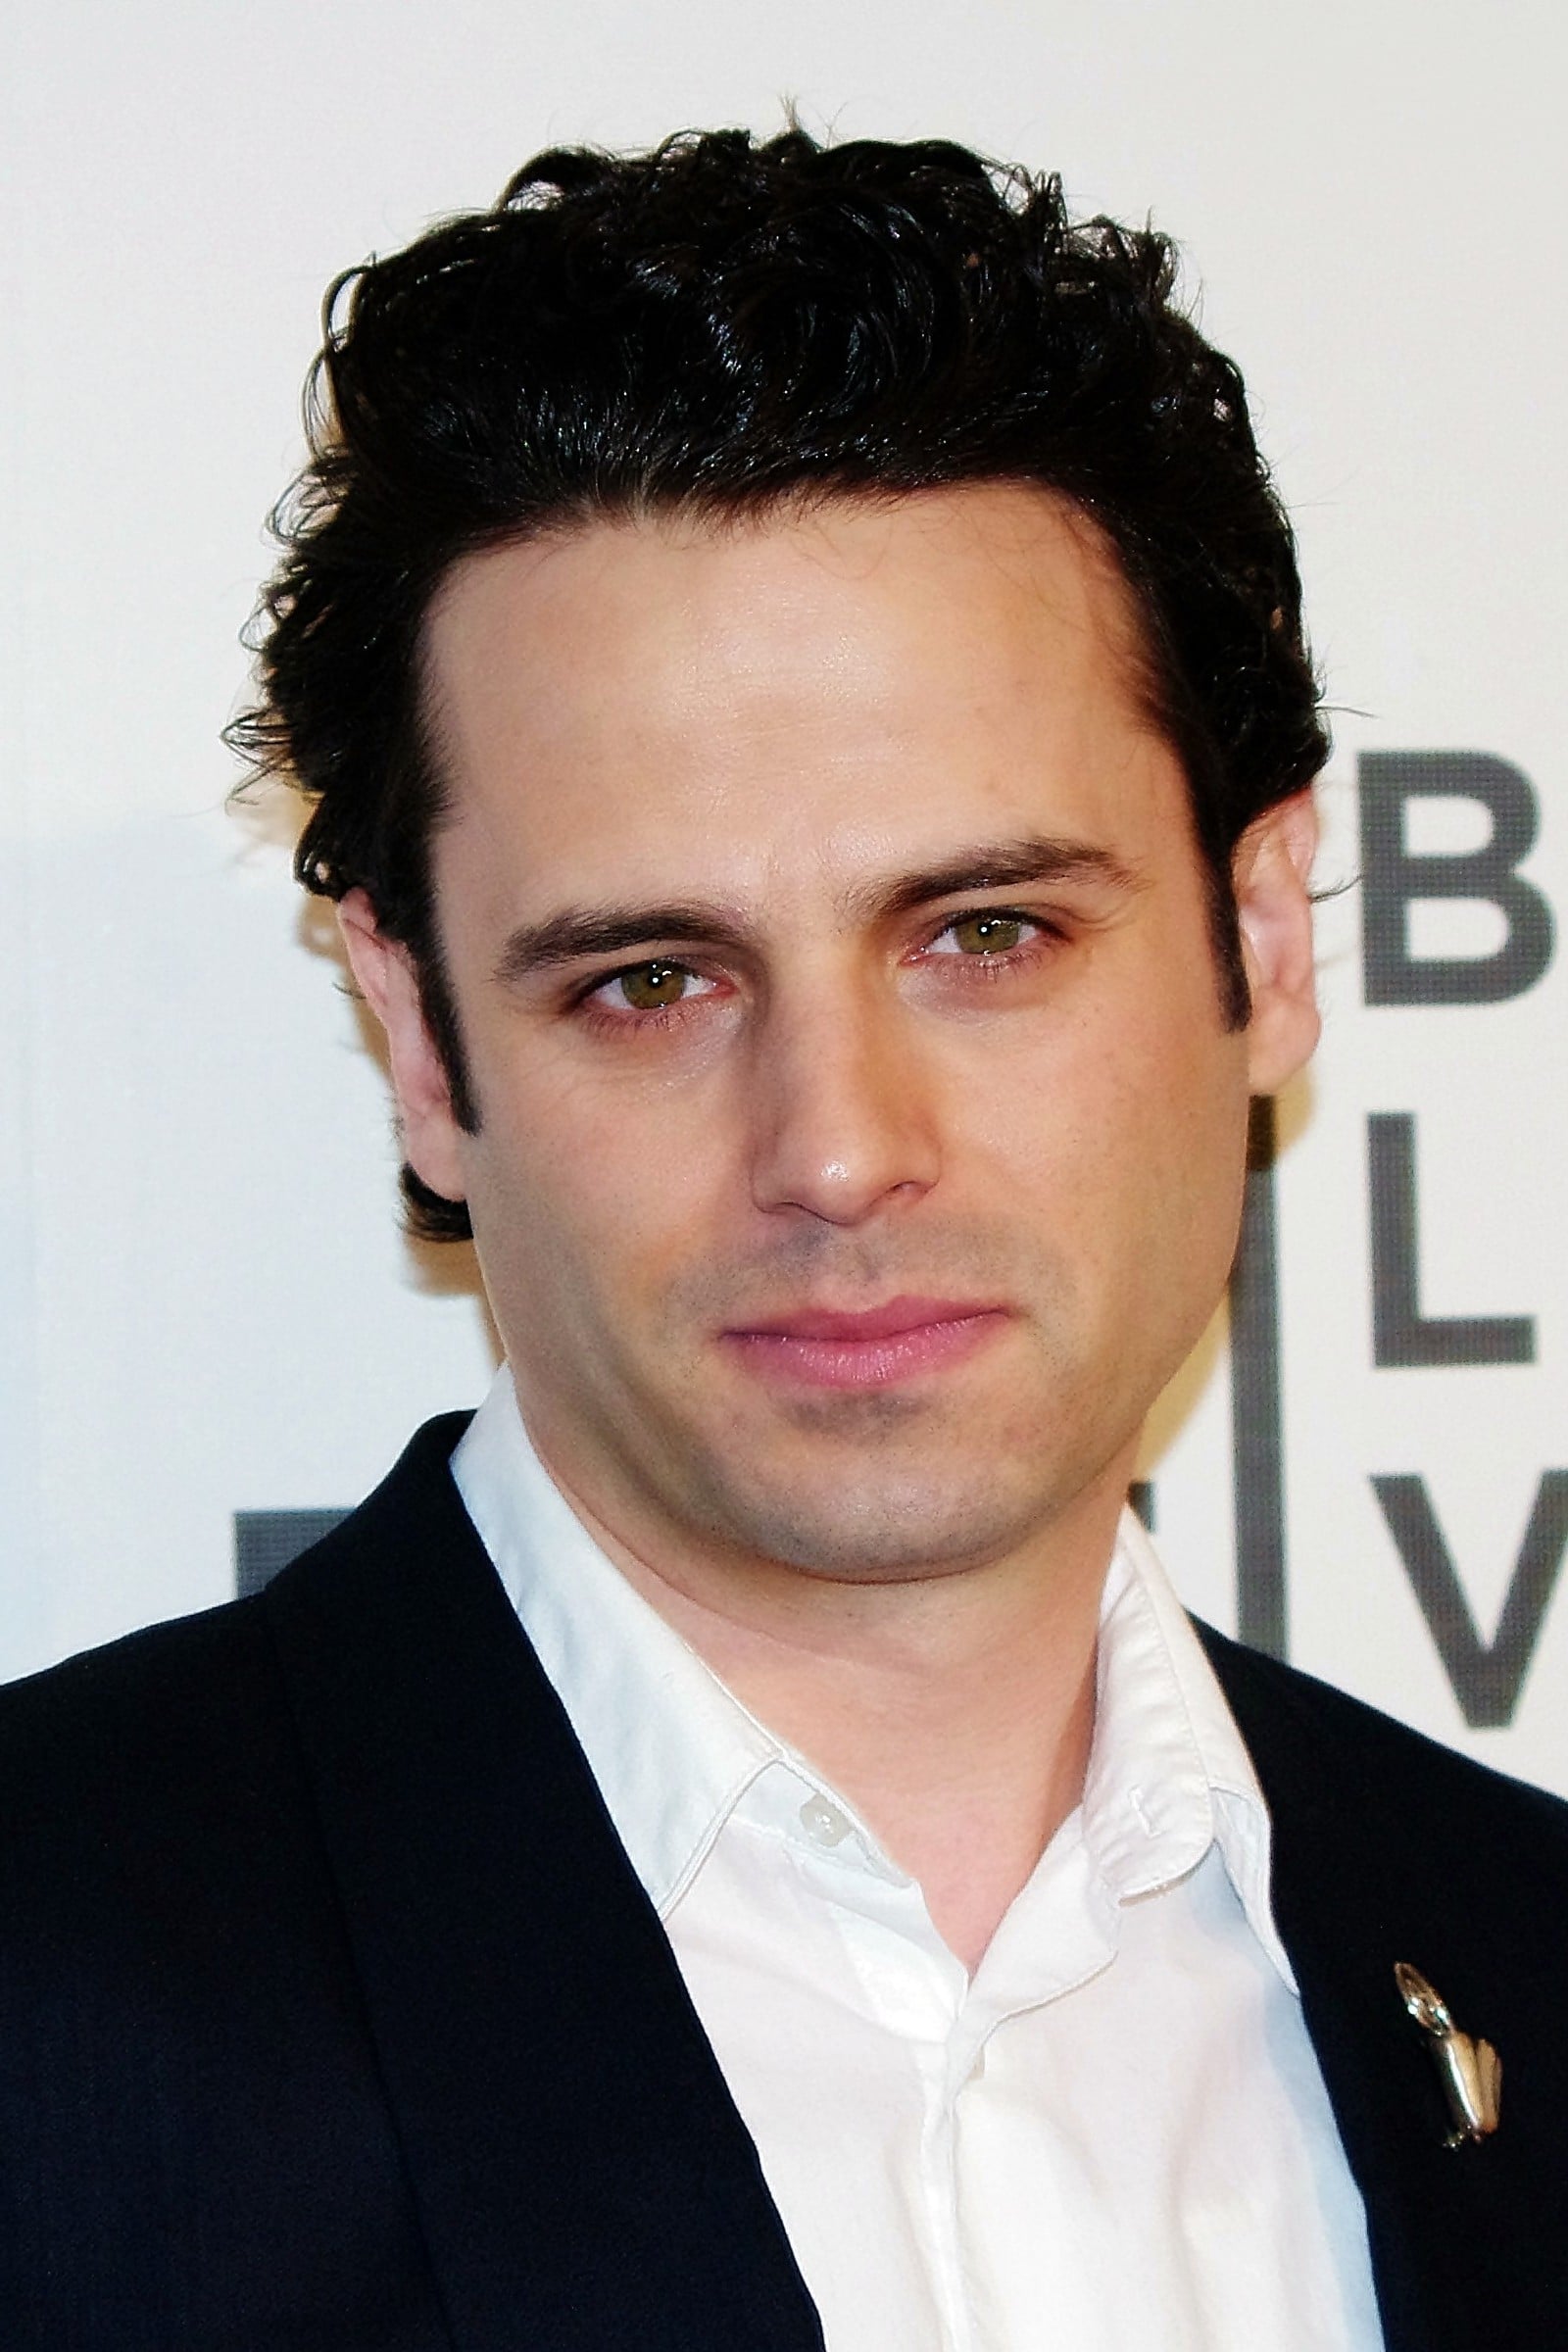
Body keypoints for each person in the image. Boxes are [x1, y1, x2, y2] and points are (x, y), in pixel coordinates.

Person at [2, 128, 1564, 2352]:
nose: (836, 1151)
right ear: (421, 1044)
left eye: (987, 933)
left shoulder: (1522, 1954)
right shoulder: (52, 2008)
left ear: (1264, 937)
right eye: (651, 980)